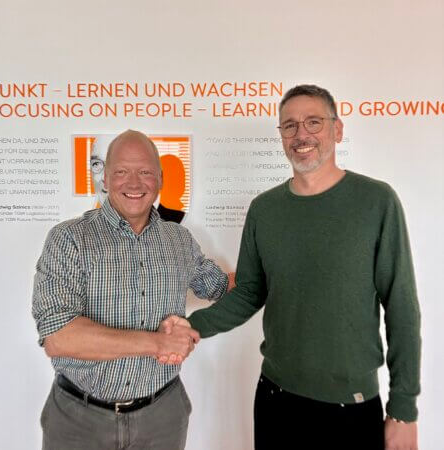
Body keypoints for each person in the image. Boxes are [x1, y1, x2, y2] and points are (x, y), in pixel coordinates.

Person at [161, 85, 421, 450]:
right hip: (276, 399)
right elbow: (249, 291)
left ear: (337, 129)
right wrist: (194, 326)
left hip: (351, 404)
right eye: (290, 125)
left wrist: (403, 410)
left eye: (314, 122)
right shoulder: (264, 210)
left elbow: (401, 307)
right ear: (282, 135)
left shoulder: (376, 202)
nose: (301, 134)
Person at [32, 129, 231, 450]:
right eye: (122, 172)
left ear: (160, 178)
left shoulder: (179, 240)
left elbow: (220, 286)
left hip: (162, 417)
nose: (134, 183)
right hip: (79, 420)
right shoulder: (69, 239)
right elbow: (59, 337)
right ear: (106, 178)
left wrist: (279, 270)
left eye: (145, 172)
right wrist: (158, 343)